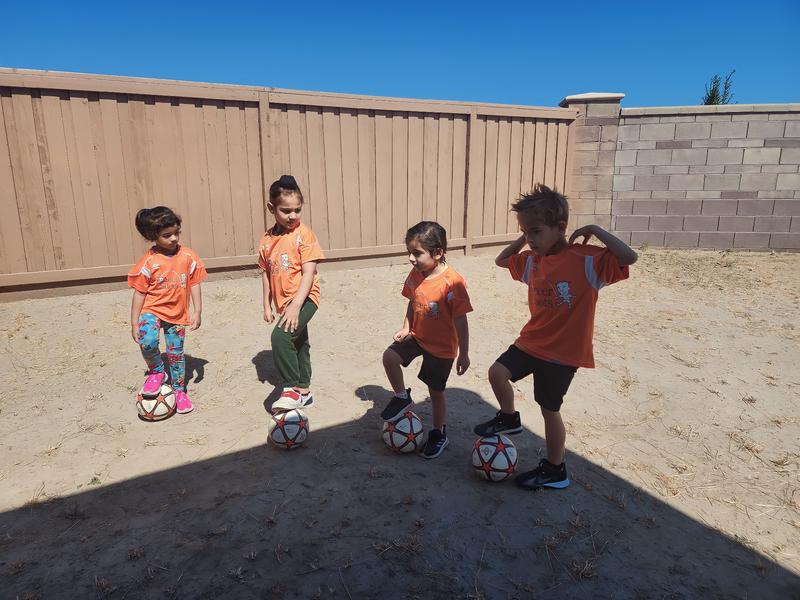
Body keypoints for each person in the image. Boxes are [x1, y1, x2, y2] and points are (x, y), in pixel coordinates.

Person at [473, 184, 637, 490]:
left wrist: (595, 229)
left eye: (536, 231)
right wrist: (525, 236)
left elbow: (630, 257)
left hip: (563, 353)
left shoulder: (588, 261)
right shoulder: (533, 261)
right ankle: (509, 418)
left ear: (560, 228)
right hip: (530, 342)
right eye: (525, 232)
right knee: (497, 373)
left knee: (549, 410)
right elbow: (501, 261)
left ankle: (555, 469)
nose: (530, 240)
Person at [381, 221, 472, 459]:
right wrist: (405, 327)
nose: (411, 258)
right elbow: (412, 301)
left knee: (435, 391)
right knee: (390, 356)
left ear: (438, 252)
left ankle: (438, 433)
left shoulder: (453, 282)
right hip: (418, 336)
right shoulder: (415, 274)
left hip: (442, 347)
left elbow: (461, 321)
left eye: (417, 253)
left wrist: (464, 353)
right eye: (409, 252)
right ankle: (402, 397)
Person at [128, 206, 206, 414]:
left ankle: (179, 391)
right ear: (153, 236)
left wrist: (197, 310)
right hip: (151, 310)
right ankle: (157, 371)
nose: (173, 238)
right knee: (148, 341)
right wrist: (135, 322)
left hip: (178, 315)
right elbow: (140, 293)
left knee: (176, 354)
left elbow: (195, 283)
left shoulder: (188, 256)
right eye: (166, 235)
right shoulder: (149, 261)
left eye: (176, 233)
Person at [258, 175, 325, 412]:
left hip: (305, 298)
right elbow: (266, 273)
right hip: (284, 302)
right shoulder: (266, 240)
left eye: (297, 210)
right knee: (298, 343)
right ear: (271, 208)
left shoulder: (304, 234)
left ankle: (290, 389)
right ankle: (304, 391)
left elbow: (309, 273)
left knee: (281, 337)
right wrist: (267, 305)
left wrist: (296, 305)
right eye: (286, 210)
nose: (292, 216)